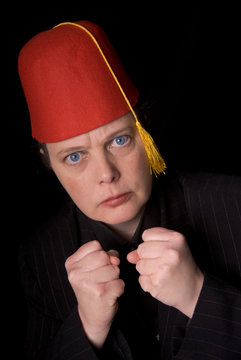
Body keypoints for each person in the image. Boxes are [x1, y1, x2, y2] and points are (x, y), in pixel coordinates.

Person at [18, 21, 241, 360]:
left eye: (119, 140)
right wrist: (87, 327)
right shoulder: (39, 259)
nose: (106, 174)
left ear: (144, 131)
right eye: (75, 156)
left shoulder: (232, 203)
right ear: (48, 162)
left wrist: (199, 295)